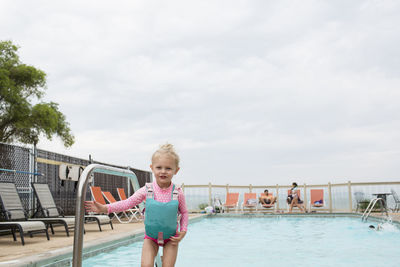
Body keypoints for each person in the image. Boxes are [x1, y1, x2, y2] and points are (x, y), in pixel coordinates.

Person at [85, 144, 188, 267]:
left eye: (168, 168)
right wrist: (105, 208)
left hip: (171, 239)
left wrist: (183, 231)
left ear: (176, 170)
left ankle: (163, 259)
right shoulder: (147, 190)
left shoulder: (178, 192)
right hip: (151, 238)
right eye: (159, 167)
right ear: (152, 168)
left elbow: (184, 212)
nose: (163, 171)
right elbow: (127, 203)